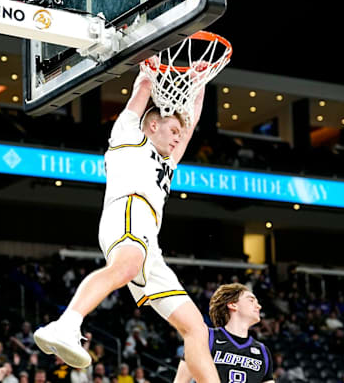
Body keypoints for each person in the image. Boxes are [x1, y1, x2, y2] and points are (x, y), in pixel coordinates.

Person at [34, 60, 218, 383]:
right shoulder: (129, 138)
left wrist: (199, 81)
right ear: (152, 127)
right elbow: (142, 90)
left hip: (150, 242)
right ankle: (66, 324)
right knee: (125, 268)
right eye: (171, 130)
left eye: (179, 133)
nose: (178, 138)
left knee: (196, 328)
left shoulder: (167, 164)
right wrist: (150, 62)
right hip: (127, 213)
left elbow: (191, 124)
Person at [174, 283, 275, 383]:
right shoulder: (206, 337)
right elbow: (181, 381)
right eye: (251, 300)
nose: (259, 306)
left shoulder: (262, 351)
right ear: (232, 304)